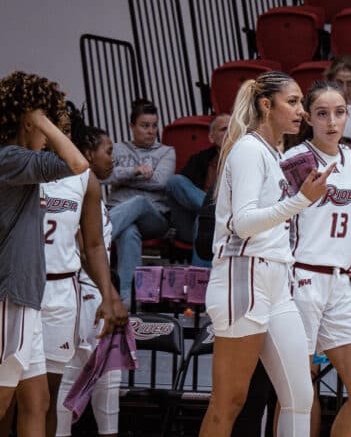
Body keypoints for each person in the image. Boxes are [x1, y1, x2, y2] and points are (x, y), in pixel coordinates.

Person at [199, 71, 333, 437]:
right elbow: (242, 223)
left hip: (276, 279)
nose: (301, 111)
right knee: (228, 402)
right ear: (265, 105)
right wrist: (301, 201)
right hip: (242, 275)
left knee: (299, 395)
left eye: (301, 102)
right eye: (292, 102)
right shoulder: (247, 150)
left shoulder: (274, 154)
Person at [283, 81, 351, 437]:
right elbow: (277, 217)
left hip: (339, 282)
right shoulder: (293, 161)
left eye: (339, 113)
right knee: (297, 394)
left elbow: (337, 214)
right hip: (301, 278)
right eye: (322, 114)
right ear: (308, 118)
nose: (332, 121)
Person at [0, 71, 89, 434]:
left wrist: (41, 122)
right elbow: (77, 163)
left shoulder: (19, 161)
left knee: (36, 401)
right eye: (45, 120)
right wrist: (40, 120)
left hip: (27, 299)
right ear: (28, 120)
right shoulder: (11, 158)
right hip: (10, 296)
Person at [55, 124, 125, 437]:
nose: (112, 159)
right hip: (83, 293)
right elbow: (86, 250)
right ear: (87, 154)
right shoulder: (75, 188)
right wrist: (110, 294)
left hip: (93, 294)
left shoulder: (91, 191)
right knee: (70, 382)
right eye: (107, 151)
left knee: (109, 380)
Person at [102, 99, 175, 303]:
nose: (151, 131)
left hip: (154, 217)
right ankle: (126, 301)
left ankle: (97, 238)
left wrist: (122, 178)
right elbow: (101, 176)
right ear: (132, 126)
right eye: (145, 126)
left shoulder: (166, 151)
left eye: (154, 126)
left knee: (138, 202)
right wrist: (134, 171)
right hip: (121, 216)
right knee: (129, 231)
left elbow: (161, 182)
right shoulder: (116, 149)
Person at [167, 113, 229, 266]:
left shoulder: (247, 157)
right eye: (224, 129)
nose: (229, 133)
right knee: (175, 181)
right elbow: (181, 195)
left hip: (231, 222)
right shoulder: (200, 159)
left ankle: (199, 283)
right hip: (193, 223)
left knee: (202, 221)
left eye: (233, 129)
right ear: (211, 137)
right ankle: (214, 208)